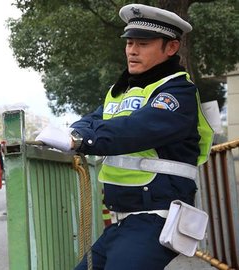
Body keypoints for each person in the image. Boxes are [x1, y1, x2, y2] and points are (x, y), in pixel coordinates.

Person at [36, 4, 213, 269]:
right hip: (121, 222)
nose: (132, 50)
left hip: (155, 219)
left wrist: (82, 142)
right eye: (129, 43)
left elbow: (136, 129)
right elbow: (92, 121)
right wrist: (70, 135)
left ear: (172, 48)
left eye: (143, 43)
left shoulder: (177, 92)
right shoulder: (120, 93)